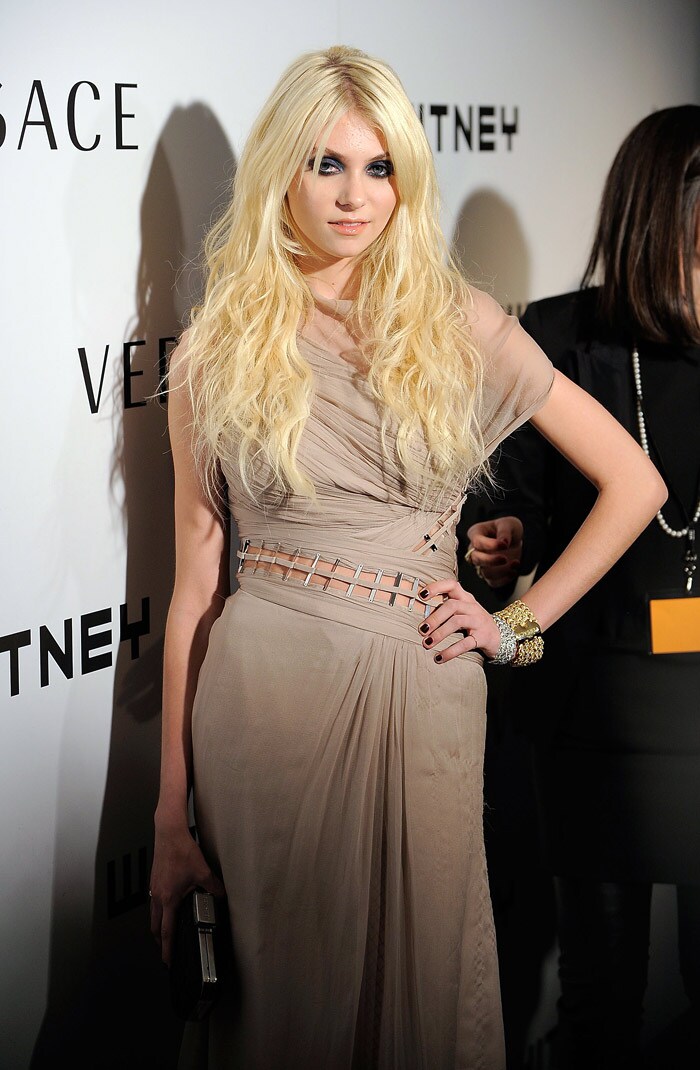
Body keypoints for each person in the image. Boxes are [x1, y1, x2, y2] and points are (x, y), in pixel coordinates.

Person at [147, 44, 665, 1070]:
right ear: (281, 173)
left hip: (423, 687)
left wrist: (514, 626)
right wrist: (170, 811)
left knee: (422, 993)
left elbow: (635, 483)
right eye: (327, 165)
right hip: (265, 702)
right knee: (282, 1005)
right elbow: (195, 588)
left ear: (406, 180)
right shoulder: (218, 346)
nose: (354, 196)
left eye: (379, 167)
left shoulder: (456, 324)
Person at [465, 104, 700, 1069]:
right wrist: (504, 537)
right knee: (599, 999)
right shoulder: (561, 335)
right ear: (661, 215)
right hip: (594, 714)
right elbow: (506, 491)